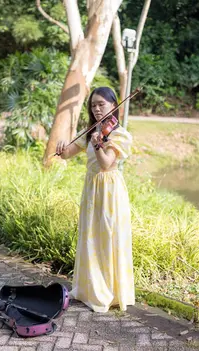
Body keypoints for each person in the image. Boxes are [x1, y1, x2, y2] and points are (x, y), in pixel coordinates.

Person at [55, 87, 135, 313]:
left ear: (113, 105)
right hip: (91, 189)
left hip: (109, 190)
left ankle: (109, 292)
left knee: (108, 237)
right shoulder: (91, 130)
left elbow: (106, 163)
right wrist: (62, 147)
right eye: (93, 105)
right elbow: (69, 153)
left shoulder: (119, 134)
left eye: (102, 104)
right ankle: (89, 289)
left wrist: (100, 143)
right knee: (90, 236)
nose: (97, 109)